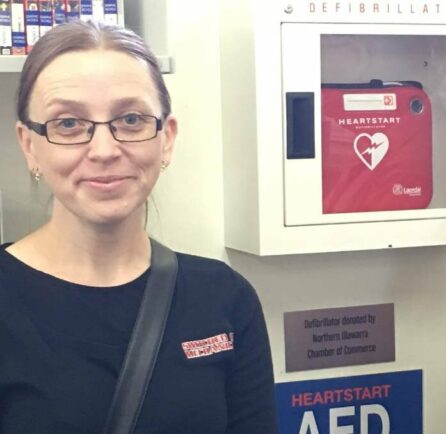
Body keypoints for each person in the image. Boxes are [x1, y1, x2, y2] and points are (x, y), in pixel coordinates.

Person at [0, 21, 279, 433]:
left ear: (167, 138)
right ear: (29, 145)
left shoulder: (225, 298)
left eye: (131, 119)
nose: (104, 150)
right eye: (68, 123)